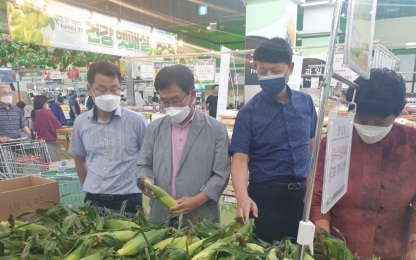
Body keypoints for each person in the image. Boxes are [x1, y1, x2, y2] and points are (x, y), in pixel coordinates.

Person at [311, 68, 416, 260]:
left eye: (380, 123)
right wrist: (326, 244)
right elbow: (317, 197)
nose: (370, 127)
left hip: (392, 249)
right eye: (362, 120)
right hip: (340, 248)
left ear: (396, 114)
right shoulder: (336, 142)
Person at [229, 38, 317, 243]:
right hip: (265, 198)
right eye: (262, 72)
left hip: (303, 195)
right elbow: (240, 159)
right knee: (267, 250)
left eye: (276, 70)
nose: (269, 76)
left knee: (303, 250)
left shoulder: (306, 103)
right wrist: (242, 197)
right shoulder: (248, 113)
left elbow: (313, 147)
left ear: (290, 68)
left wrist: (315, 187)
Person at [137, 65, 230, 223]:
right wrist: (145, 181)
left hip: (200, 218)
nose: (170, 106)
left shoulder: (216, 130)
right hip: (161, 216)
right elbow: (143, 164)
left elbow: (221, 175)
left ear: (192, 94)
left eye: (175, 100)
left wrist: (198, 200)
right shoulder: (154, 128)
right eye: (164, 101)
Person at [69, 61, 148, 213]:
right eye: (101, 90)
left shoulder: (136, 122)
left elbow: (149, 159)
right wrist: (89, 189)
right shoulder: (81, 123)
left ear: (121, 88)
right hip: (94, 200)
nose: (109, 95)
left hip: (129, 200)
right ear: (89, 89)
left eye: (114, 89)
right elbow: (80, 160)